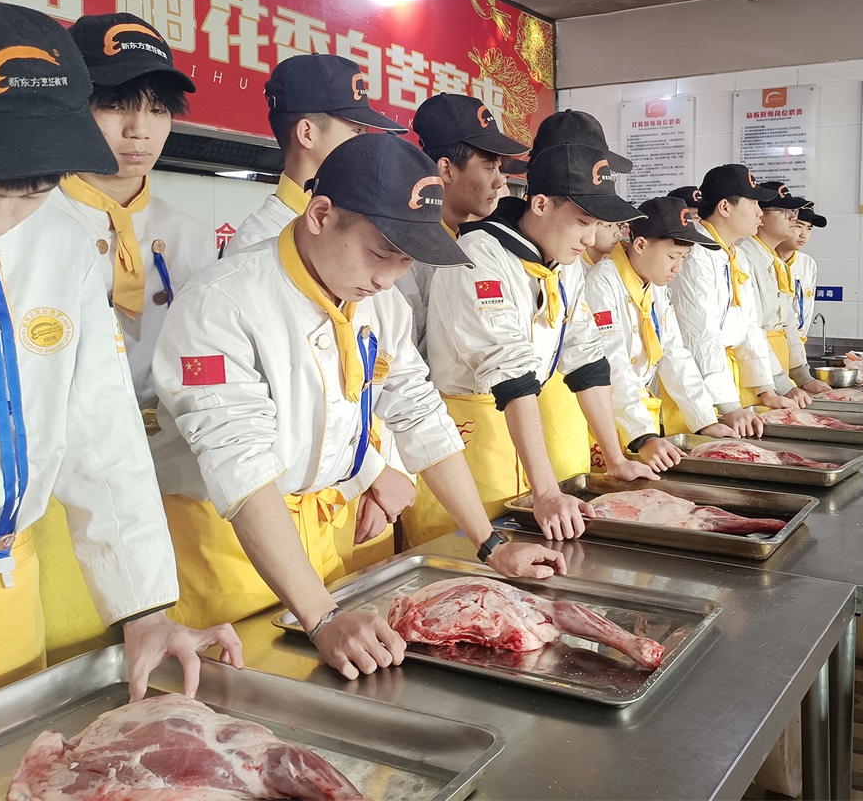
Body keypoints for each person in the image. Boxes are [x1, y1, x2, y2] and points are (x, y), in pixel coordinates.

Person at [152, 134, 564, 677]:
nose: (388, 278)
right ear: (321, 214)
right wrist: (322, 617)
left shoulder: (376, 303)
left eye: (405, 260)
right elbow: (239, 464)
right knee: (240, 691)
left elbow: (418, 413)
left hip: (322, 528)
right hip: (228, 539)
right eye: (380, 253)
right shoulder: (222, 303)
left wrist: (491, 545)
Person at [0, 0, 239, 707]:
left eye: (32, 194)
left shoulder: (58, 243)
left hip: (0, 592)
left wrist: (143, 607)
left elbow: (99, 426)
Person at [34, 14, 212, 656]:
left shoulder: (189, 234)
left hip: (174, 465)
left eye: (157, 109)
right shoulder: (29, 223)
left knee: (171, 643)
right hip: (64, 474)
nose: (140, 130)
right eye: (115, 105)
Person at [415, 141, 659, 546]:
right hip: (471, 440)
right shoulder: (480, 256)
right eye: (582, 221)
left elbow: (586, 359)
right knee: (466, 560)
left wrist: (616, 459)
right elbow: (509, 372)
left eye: (597, 224)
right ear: (541, 204)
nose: (590, 238)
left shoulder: (562, 262)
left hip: (525, 430)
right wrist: (546, 492)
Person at [585, 197, 765, 470]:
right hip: (606, 411)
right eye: (672, 257)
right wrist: (643, 436)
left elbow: (674, 353)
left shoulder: (654, 285)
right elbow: (614, 365)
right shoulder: (603, 281)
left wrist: (705, 421)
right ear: (641, 245)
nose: (678, 268)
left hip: (638, 409)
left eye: (684, 258)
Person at [666, 164, 802, 435]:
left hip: (724, 380)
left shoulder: (734, 254)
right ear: (725, 207)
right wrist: (728, 406)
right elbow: (700, 334)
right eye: (753, 203)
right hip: (695, 383)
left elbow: (750, 327)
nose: (760, 212)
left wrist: (770, 389)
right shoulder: (696, 254)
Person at [223, 54, 405, 256]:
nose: (366, 144)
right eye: (357, 131)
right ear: (307, 134)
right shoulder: (258, 244)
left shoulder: (358, 223)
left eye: (366, 132)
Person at [395, 93, 529, 355]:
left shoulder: (481, 244)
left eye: (500, 169)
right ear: (446, 170)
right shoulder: (407, 255)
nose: (499, 183)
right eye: (489, 167)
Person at [739, 182, 828, 397]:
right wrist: (780, 386)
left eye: (794, 212)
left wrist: (802, 376)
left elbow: (788, 321)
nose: (793, 219)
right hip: (755, 375)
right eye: (785, 211)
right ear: (761, 215)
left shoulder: (775, 261)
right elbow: (752, 330)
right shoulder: (743, 257)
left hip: (776, 373)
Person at [778, 202, 825, 341]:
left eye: (809, 228)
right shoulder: (764, 259)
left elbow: (808, 310)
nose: (804, 234)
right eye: (798, 226)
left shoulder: (808, 263)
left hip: (798, 342)